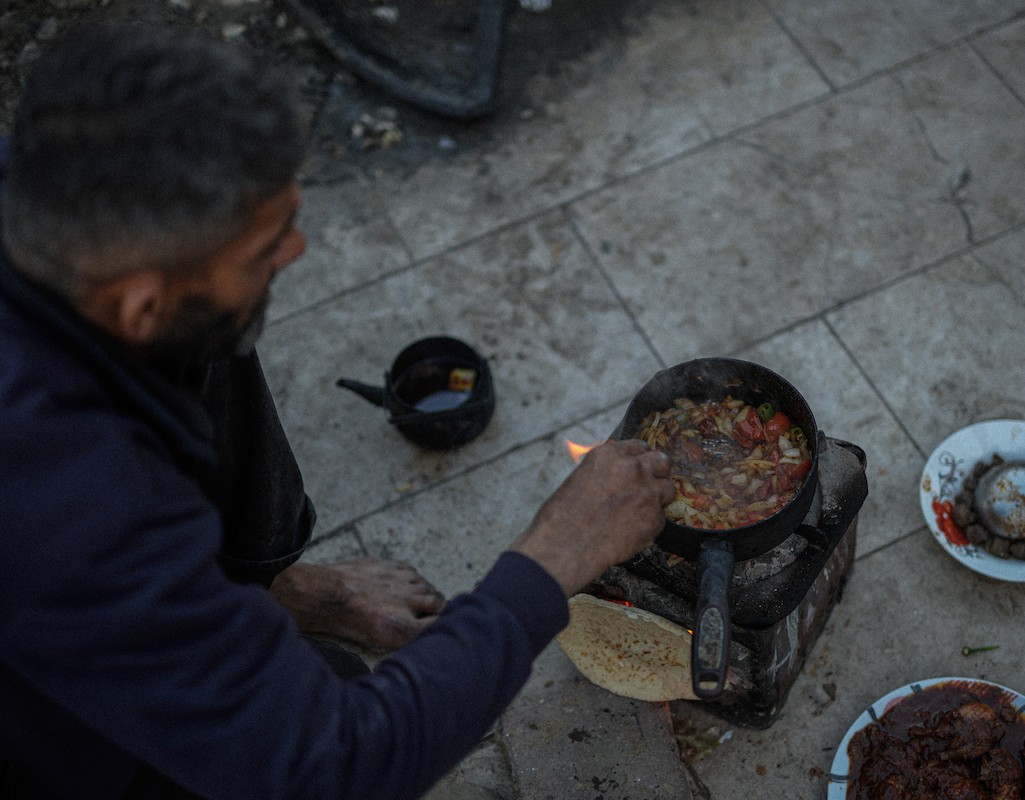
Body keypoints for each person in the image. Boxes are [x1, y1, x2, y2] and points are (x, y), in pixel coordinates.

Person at [0, 21, 674, 800]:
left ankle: (277, 591)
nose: (298, 249)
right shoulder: (76, 508)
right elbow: (335, 767)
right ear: (140, 302)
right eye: (266, 245)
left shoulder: (44, 193)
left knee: (219, 325)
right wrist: (552, 560)